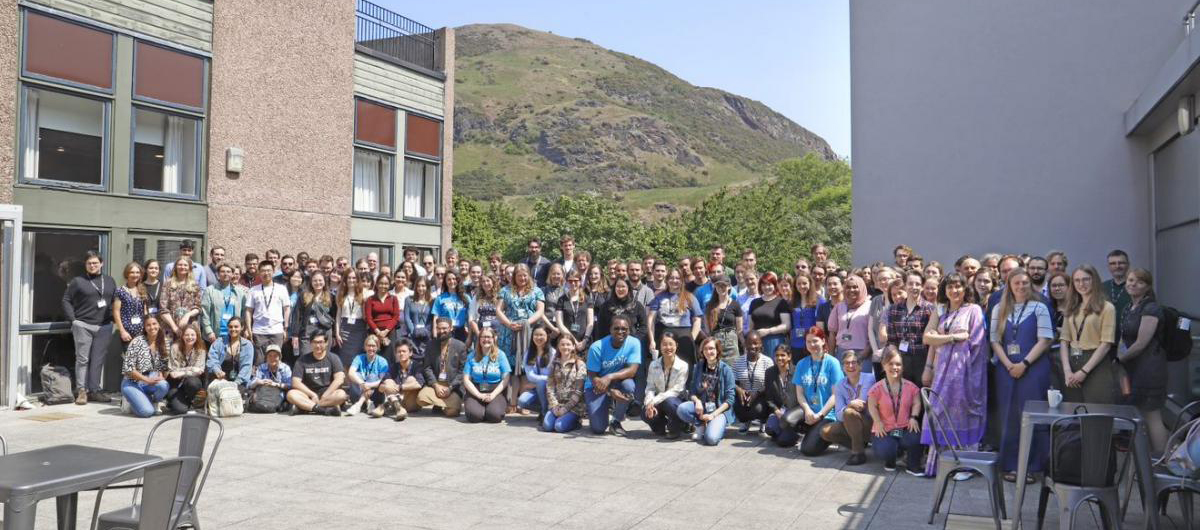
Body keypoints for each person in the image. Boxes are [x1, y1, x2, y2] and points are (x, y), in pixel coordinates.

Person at [920, 273, 988, 477]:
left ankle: (966, 465)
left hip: (965, 373)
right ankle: (942, 463)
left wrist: (968, 376)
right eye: (950, 287)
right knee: (940, 412)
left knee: (963, 415)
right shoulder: (940, 309)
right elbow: (927, 338)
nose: (954, 291)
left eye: (958, 286)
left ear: (965, 289)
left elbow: (977, 344)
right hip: (942, 373)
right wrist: (952, 338)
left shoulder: (973, 310)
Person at [989, 269, 1053, 482]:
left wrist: (1024, 363)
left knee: (1030, 415)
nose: (1021, 287)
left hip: (1033, 369)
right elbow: (994, 341)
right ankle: (1009, 464)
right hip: (1006, 370)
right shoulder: (1000, 308)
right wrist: (1009, 364)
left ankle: (1031, 466)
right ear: (1009, 285)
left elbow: (1044, 340)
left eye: (1025, 283)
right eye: (1016, 283)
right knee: (1008, 416)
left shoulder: (1040, 307)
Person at [1117, 268, 1170, 452]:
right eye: (1130, 280)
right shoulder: (1129, 307)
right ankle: (1147, 462)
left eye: (1139, 282)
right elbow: (1125, 338)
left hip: (1149, 369)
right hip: (1133, 369)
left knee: (1152, 416)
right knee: (1139, 415)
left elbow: (1141, 343)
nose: (1132, 284)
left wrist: (1120, 359)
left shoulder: (1151, 308)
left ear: (1147, 287)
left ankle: (1162, 461)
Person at [63, 251, 117, 404]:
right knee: (83, 359)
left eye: (95, 263)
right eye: (89, 263)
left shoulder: (109, 280)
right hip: (83, 325)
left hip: (104, 326)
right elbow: (66, 300)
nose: (92, 266)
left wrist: (113, 319)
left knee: (98, 360)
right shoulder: (78, 281)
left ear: (101, 264)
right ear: (85, 266)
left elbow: (114, 301)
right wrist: (73, 321)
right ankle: (82, 391)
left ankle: (94, 390)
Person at [1059, 265, 1117, 405]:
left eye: (1086, 279)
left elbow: (1106, 344)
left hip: (1095, 362)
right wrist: (1067, 371)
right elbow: (1064, 341)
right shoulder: (1072, 306)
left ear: (1094, 281)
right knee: (1074, 410)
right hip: (1072, 361)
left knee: (1096, 411)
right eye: (1077, 280)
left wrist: (1084, 371)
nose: (1081, 284)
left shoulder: (1107, 307)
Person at [786, 327, 844, 455]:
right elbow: (800, 393)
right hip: (809, 410)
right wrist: (807, 410)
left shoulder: (833, 363)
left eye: (815, 341)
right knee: (787, 421)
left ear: (823, 341)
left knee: (808, 450)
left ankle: (828, 436)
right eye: (808, 341)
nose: (812, 345)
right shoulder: (802, 364)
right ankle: (810, 432)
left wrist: (820, 415)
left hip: (827, 414)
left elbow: (835, 395)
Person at [498, 264, 545, 412]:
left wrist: (526, 323)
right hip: (509, 333)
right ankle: (511, 403)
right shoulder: (505, 291)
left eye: (525, 275)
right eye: (519, 276)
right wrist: (508, 323)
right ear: (514, 276)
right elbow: (499, 309)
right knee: (511, 368)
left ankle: (523, 403)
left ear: (529, 276)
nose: (522, 278)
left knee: (525, 367)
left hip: (528, 333)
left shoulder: (537, 291)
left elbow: (540, 311)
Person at [868, 350, 924, 475]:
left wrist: (913, 417)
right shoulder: (876, 389)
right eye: (890, 364)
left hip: (903, 428)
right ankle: (891, 459)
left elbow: (917, 403)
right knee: (885, 450)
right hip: (885, 429)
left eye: (898, 364)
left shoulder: (911, 387)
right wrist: (877, 422)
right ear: (883, 365)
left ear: (902, 367)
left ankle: (912, 466)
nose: (895, 367)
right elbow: (872, 406)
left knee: (916, 438)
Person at [585, 314, 642, 435]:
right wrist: (610, 392)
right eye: (616, 328)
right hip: (596, 386)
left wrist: (609, 377)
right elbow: (592, 376)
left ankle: (615, 421)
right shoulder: (597, 347)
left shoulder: (634, 343)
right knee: (598, 428)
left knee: (628, 386)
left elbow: (632, 371)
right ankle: (595, 410)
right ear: (610, 329)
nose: (620, 331)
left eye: (624, 329)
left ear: (629, 330)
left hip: (617, 381)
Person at [677, 337, 736, 446]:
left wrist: (712, 415)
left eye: (711, 349)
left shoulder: (726, 370)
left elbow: (730, 400)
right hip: (703, 407)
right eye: (705, 349)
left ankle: (717, 428)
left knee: (711, 439)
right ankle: (701, 425)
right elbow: (692, 392)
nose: (709, 352)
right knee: (682, 409)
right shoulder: (698, 367)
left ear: (717, 350)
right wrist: (697, 401)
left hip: (719, 411)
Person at [820, 352, 875, 465]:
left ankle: (858, 453)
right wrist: (850, 405)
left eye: (854, 362)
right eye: (847, 363)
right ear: (843, 367)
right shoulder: (840, 385)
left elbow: (861, 406)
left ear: (860, 365)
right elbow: (839, 415)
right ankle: (859, 443)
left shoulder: (869, 379)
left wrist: (847, 408)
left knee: (849, 413)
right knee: (825, 431)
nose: (850, 366)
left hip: (870, 424)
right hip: (850, 423)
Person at [883, 270, 935, 385]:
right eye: (910, 283)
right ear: (905, 285)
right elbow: (892, 340)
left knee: (922, 396)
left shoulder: (929, 309)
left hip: (922, 359)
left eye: (918, 284)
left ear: (922, 287)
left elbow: (932, 342)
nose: (914, 287)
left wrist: (929, 367)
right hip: (901, 359)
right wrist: (894, 363)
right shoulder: (894, 309)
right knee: (904, 397)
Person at [648, 268, 702, 365]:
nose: (674, 281)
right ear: (667, 280)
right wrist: (652, 340)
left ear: (682, 280)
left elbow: (697, 320)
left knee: (686, 370)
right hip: (664, 336)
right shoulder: (659, 297)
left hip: (684, 337)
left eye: (677, 278)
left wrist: (691, 339)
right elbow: (651, 319)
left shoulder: (689, 297)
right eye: (671, 278)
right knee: (664, 368)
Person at [286, 334, 349, 416]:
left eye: (320, 342)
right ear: (310, 343)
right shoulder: (302, 360)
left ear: (326, 343)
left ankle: (305, 408)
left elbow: (339, 379)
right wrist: (312, 394)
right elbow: (295, 382)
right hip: (308, 395)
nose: (318, 345)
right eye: (314, 342)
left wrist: (326, 394)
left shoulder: (333, 358)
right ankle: (323, 410)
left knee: (341, 395)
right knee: (291, 394)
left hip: (328, 394)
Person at [418, 317, 469, 417]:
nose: (442, 331)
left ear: (451, 328)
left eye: (445, 328)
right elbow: (427, 367)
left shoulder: (460, 346)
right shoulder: (431, 345)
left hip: (453, 386)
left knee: (452, 413)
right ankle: (442, 403)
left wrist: (450, 388)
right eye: (439, 328)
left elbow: (462, 371)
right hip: (437, 384)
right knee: (421, 399)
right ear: (436, 329)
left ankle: (445, 404)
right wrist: (436, 385)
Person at [120, 316, 170, 418]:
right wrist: (147, 380)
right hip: (132, 382)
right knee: (147, 412)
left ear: (159, 325)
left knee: (164, 385)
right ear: (144, 327)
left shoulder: (164, 341)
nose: (152, 327)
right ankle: (130, 401)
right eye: (148, 325)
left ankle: (152, 401)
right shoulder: (137, 342)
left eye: (154, 324)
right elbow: (128, 369)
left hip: (150, 379)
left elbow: (164, 366)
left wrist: (161, 375)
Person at [643, 332, 689, 438]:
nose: (668, 347)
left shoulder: (683, 366)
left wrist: (654, 401)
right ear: (660, 346)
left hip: (675, 401)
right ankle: (660, 427)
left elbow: (676, 390)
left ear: (676, 346)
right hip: (658, 401)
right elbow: (650, 387)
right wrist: (649, 403)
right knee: (644, 412)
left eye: (671, 344)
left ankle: (677, 426)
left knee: (669, 402)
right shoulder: (653, 365)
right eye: (664, 344)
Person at [245, 260, 292, 365]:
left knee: (276, 361)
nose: (266, 273)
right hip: (259, 331)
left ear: (273, 271)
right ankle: (261, 381)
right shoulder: (253, 290)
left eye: (269, 270)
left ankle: (275, 381)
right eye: (263, 271)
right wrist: (249, 329)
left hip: (277, 331)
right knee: (259, 362)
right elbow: (248, 311)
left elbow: (286, 309)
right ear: (259, 272)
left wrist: (285, 328)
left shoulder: (282, 289)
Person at [463, 327, 512, 423]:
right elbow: (466, 379)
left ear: (494, 339)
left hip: (495, 390)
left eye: (489, 337)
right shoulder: (471, 356)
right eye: (483, 337)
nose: (486, 340)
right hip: (476, 390)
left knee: (494, 416)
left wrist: (493, 395)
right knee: (474, 417)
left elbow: (506, 378)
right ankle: (481, 410)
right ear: (479, 339)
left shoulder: (501, 355)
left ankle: (489, 410)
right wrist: (478, 395)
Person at [542, 334, 587, 433]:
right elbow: (549, 386)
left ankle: (576, 421)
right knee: (547, 426)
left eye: (568, 344)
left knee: (559, 427)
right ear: (558, 346)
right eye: (562, 344)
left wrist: (566, 408)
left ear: (573, 346)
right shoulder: (554, 364)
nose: (565, 347)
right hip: (557, 404)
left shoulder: (579, 364)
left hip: (573, 406)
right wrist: (554, 406)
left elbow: (579, 391)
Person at [732, 331, 774, 433]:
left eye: (756, 343)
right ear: (745, 344)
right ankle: (745, 421)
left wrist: (757, 393)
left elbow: (770, 384)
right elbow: (732, 382)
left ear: (761, 344)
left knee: (758, 409)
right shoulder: (738, 362)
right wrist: (739, 390)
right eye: (749, 343)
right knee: (734, 402)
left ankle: (763, 421)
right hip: (745, 396)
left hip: (761, 396)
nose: (752, 346)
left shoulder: (767, 362)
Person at [200, 261, 249, 346]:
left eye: (228, 271)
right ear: (218, 274)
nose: (225, 274)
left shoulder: (240, 292)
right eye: (222, 271)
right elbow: (205, 313)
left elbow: (244, 313)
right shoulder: (210, 291)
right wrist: (209, 332)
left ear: (232, 274)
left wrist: (243, 329)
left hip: (234, 334)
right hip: (215, 336)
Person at [748, 272, 792, 361]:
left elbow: (786, 325)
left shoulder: (781, 302)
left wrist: (768, 331)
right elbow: (751, 326)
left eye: (769, 284)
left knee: (774, 368)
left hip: (775, 341)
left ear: (775, 285)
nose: (767, 287)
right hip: (757, 342)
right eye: (764, 284)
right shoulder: (754, 303)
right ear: (760, 286)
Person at [292, 272, 336, 358]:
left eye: (320, 280)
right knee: (306, 356)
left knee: (324, 358)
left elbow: (333, 316)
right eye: (315, 280)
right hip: (308, 331)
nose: (317, 283)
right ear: (311, 282)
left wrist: (334, 335)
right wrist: (295, 334)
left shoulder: (331, 297)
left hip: (325, 331)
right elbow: (297, 315)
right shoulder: (304, 295)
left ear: (324, 282)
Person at [346, 335, 391, 417]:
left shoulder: (382, 361)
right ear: (365, 347)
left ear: (378, 347)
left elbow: (383, 381)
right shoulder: (358, 358)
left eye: (373, 346)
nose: (371, 348)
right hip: (358, 394)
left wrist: (368, 385)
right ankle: (368, 403)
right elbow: (350, 373)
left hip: (376, 397)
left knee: (372, 377)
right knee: (357, 374)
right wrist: (362, 383)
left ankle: (358, 405)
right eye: (369, 345)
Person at [828, 275, 871, 362]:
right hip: (841, 353)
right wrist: (831, 357)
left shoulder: (870, 306)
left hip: (863, 354)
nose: (851, 290)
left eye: (855, 287)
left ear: (862, 288)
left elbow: (874, 334)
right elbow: (832, 333)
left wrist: (863, 355)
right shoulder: (839, 306)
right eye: (848, 287)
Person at [165, 324, 206, 415]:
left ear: (197, 336)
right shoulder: (175, 347)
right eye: (187, 335)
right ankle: (175, 402)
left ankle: (190, 401)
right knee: (180, 410)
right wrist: (191, 369)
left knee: (193, 383)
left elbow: (200, 370)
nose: (189, 337)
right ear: (182, 336)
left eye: (192, 335)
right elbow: (173, 373)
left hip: (190, 383)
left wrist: (182, 372)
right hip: (176, 384)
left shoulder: (201, 349)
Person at [516, 325, 556, 418]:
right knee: (522, 401)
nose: (538, 337)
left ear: (547, 336)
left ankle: (545, 413)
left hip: (551, 389)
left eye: (541, 335)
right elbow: (529, 376)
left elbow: (553, 376)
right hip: (536, 388)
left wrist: (538, 382)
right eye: (536, 335)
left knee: (541, 383)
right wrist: (538, 383)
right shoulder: (528, 353)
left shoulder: (552, 353)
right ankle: (544, 409)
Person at [205, 317, 254, 391]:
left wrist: (234, 384)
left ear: (242, 328)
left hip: (239, 382)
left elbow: (246, 367)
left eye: (236, 327)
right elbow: (211, 360)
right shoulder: (218, 342)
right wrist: (217, 371)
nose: (233, 329)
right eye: (230, 327)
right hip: (219, 380)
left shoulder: (248, 345)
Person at [160, 257, 203, 340]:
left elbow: (198, 307)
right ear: (175, 267)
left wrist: (187, 315)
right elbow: (163, 309)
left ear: (189, 268)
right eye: (180, 265)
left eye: (185, 265)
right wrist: (174, 327)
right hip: (170, 327)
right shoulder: (167, 284)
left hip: (190, 327)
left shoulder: (195, 285)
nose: (182, 267)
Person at [335, 271, 371, 369]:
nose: (351, 280)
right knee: (345, 359)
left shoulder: (364, 292)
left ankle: (356, 383)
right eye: (349, 278)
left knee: (357, 358)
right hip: (345, 327)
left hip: (359, 327)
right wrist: (337, 333)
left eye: (354, 278)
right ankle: (348, 383)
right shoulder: (341, 293)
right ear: (345, 280)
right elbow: (338, 315)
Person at [705, 276, 744, 365]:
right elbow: (707, 329)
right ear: (715, 287)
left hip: (732, 344)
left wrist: (744, 345)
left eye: (724, 286)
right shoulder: (710, 305)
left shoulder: (735, 305)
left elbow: (739, 330)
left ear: (729, 287)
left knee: (733, 371)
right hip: (716, 343)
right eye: (718, 286)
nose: (721, 288)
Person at [249, 345, 292, 412]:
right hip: (263, 393)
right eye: (270, 356)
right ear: (266, 357)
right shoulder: (261, 367)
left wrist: (276, 384)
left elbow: (290, 385)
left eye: (275, 356)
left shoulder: (285, 368)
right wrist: (259, 381)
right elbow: (250, 384)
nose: (272, 358)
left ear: (280, 357)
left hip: (279, 393)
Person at [113, 262, 146, 348]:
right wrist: (122, 331)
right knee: (128, 360)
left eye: (137, 272)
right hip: (127, 333)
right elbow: (116, 312)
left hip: (141, 332)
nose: (135, 275)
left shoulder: (142, 289)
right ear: (126, 274)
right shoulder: (120, 291)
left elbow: (145, 311)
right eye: (132, 272)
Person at [432, 270, 471, 343]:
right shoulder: (440, 298)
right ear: (445, 282)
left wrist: (470, 335)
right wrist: (435, 334)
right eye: (449, 279)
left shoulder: (466, 298)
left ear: (458, 280)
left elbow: (470, 317)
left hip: (462, 332)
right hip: (445, 332)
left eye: (454, 279)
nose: (452, 281)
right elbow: (435, 318)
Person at [791, 273, 824, 356]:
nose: (802, 286)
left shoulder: (819, 300)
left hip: (813, 344)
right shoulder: (793, 301)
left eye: (804, 283)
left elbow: (822, 326)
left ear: (810, 283)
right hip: (796, 344)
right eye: (798, 284)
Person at [1103, 250, 1132, 343]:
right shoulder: (1102, 287)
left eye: (1121, 263)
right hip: (1106, 341)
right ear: (1108, 267)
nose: (1117, 266)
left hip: (1130, 341)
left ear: (1128, 265)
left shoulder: (1137, 287)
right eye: (1113, 263)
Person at [469, 273, 502, 348]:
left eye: (488, 281)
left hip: (498, 335)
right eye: (483, 281)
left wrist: (497, 336)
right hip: (481, 334)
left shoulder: (500, 296)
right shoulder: (476, 298)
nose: (485, 283)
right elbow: (472, 319)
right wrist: (479, 335)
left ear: (493, 282)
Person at [404, 276, 433, 354]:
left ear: (427, 287)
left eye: (423, 286)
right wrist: (413, 330)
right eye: (418, 286)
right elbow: (407, 317)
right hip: (412, 335)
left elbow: (432, 319)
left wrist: (426, 331)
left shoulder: (432, 301)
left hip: (427, 336)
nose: (420, 288)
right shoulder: (409, 300)